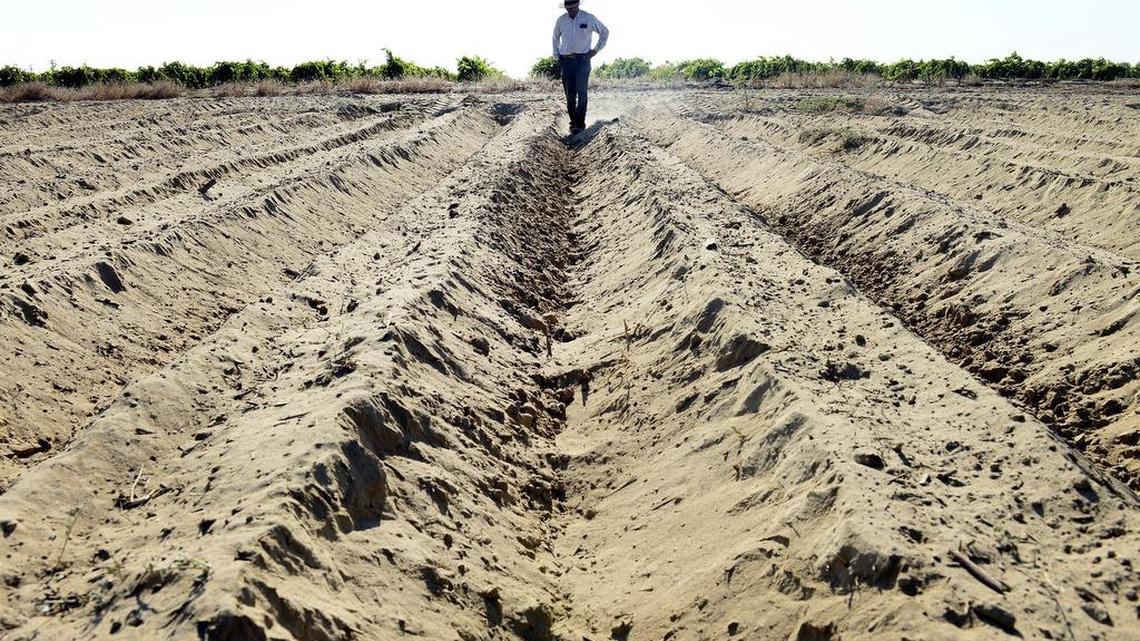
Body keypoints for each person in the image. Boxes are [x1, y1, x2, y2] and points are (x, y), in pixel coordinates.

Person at [552, 0, 609, 135]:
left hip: (583, 60)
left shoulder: (588, 18)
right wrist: (557, 56)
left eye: (572, 7)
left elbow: (605, 31)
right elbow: (555, 39)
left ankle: (580, 124)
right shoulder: (561, 20)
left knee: (582, 93)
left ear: (578, 6)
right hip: (566, 61)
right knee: (570, 95)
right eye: (568, 8)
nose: (570, 10)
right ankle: (573, 123)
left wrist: (595, 50)